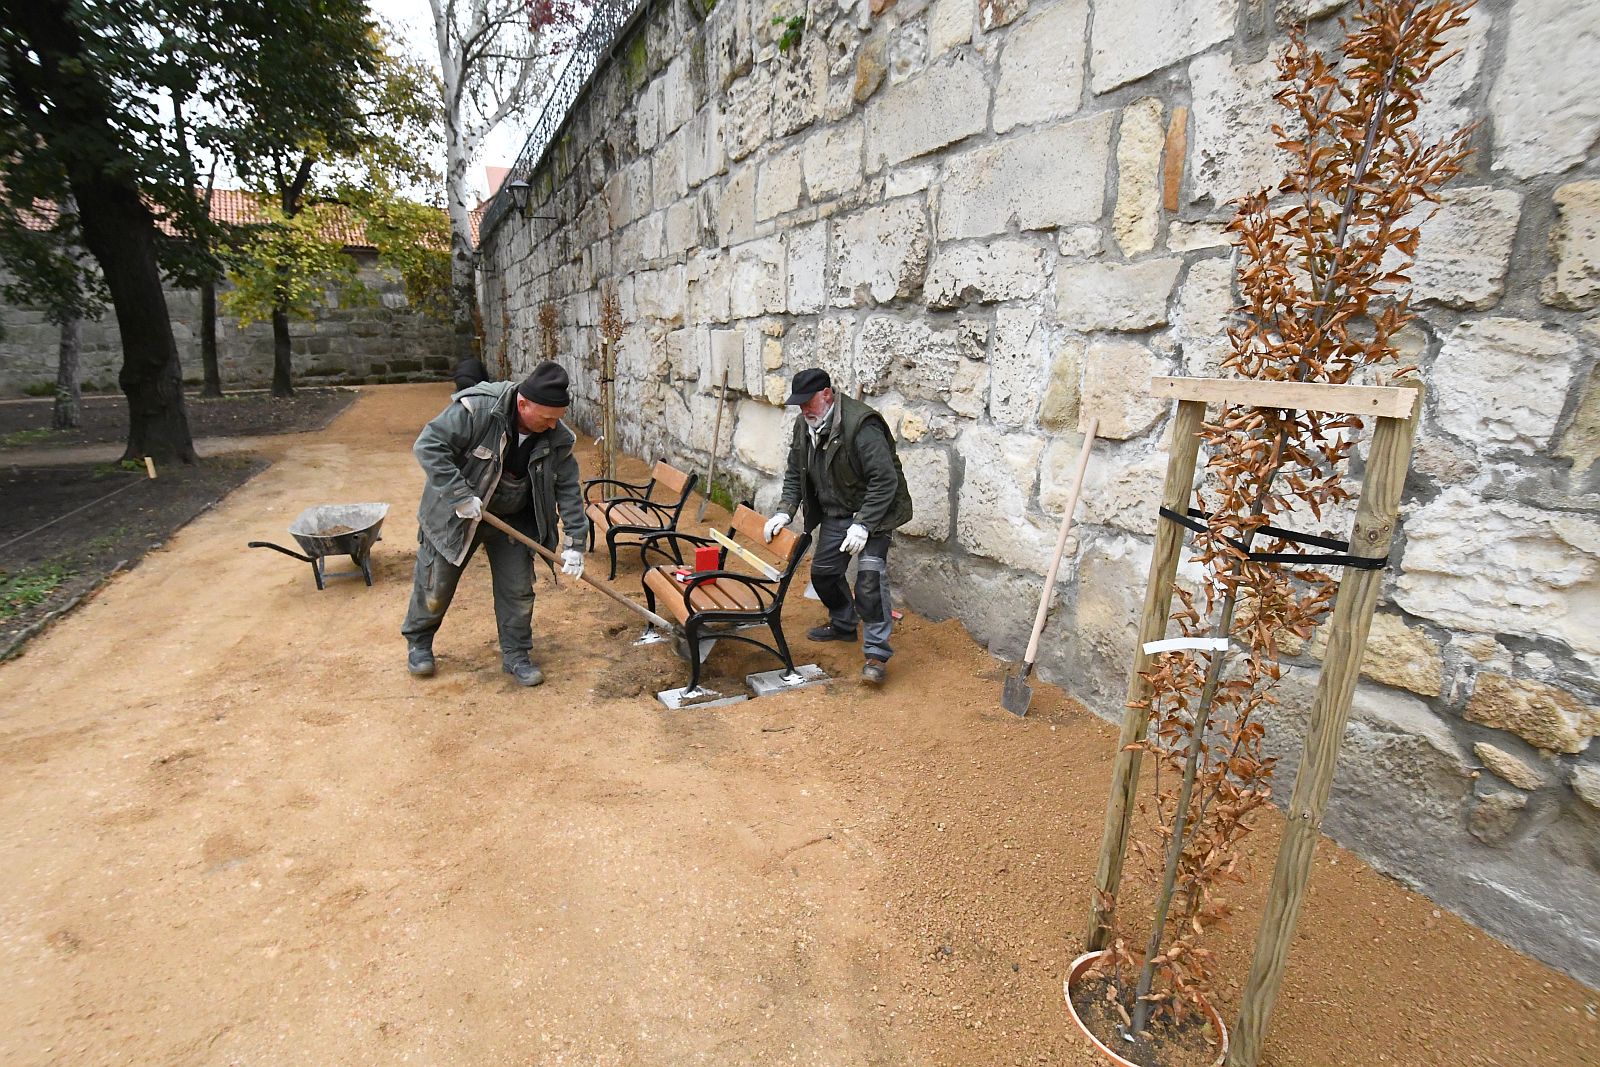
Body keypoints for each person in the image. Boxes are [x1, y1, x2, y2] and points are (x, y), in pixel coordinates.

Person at [401, 361, 588, 686]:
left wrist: (575, 543)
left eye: (557, 418)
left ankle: (516, 655)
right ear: (522, 403)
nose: (551, 425)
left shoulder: (556, 436)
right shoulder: (478, 410)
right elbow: (428, 445)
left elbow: (568, 487)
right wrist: (459, 495)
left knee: (517, 591)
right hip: (457, 516)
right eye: (545, 417)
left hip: (514, 518)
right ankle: (419, 642)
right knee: (436, 586)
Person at [762, 368, 912, 685]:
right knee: (824, 574)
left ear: (827, 395)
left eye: (809, 402)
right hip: (835, 512)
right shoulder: (805, 425)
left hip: (874, 513)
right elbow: (795, 472)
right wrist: (785, 511)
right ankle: (844, 623)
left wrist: (864, 525)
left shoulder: (863, 426)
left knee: (869, 580)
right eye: (799, 404)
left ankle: (875, 654)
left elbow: (885, 482)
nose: (804, 410)